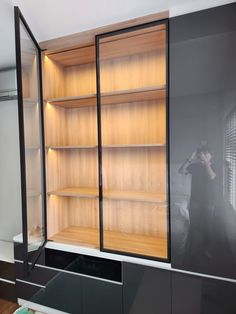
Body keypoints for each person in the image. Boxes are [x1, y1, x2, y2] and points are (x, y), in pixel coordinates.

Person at [178, 144, 217, 271]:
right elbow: (181, 171)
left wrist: (206, 163)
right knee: (194, 226)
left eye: (206, 154)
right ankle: (192, 252)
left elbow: (211, 177)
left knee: (207, 227)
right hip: (195, 201)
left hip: (209, 202)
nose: (203, 156)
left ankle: (207, 250)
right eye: (202, 154)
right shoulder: (195, 166)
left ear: (211, 155)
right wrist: (190, 158)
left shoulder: (215, 166)